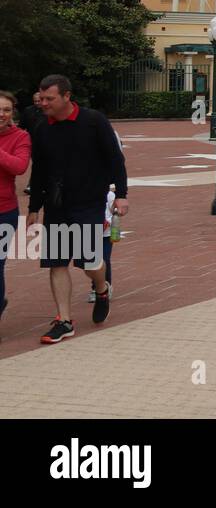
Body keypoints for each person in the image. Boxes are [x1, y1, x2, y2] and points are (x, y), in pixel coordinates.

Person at [26, 75, 128, 344]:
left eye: (50, 98)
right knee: (57, 262)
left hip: (89, 202)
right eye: (42, 98)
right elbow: (39, 171)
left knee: (89, 262)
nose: (43, 103)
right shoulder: (42, 128)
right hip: (57, 205)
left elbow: (115, 159)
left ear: (66, 96)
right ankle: (64, 320)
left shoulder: (94, 121)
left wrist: (122, 195)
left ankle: (101, 287)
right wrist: (34, 207)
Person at [0, 91, 33, 327]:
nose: (1, 114)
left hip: (3, 212)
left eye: (6, 110)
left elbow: (19, 167)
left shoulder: (20, 137)